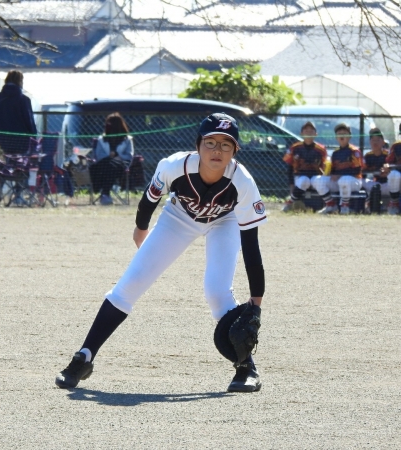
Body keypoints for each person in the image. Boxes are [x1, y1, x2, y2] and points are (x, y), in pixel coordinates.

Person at [55, 113, 266, 393]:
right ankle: (84, 356)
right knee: (131, 283)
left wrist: (255, 305)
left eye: (226, 144)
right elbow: (148, 200)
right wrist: (141, 229)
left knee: (217, 293)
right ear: (198, 144)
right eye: (210, 142)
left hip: (225, 221)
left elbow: (251, 247)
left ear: (235, 150)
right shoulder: (174, 166)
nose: (217, 150)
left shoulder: (243, 182)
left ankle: (247, 368)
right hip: (179, 216)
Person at [281, 121, 329, 212]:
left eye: (311, 131)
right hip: (300, 177)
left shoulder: (321, 149)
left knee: (319, 180)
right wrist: (291, 185)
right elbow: (290, 167)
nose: (309, 133)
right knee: (304, 180)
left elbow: (326, 167)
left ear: (316, 134)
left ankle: (330, 205)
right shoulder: (295, 148)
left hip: (315, 177)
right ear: (301, 134)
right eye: (306, 131)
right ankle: (289, 204)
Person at [317, 123, 363, 215]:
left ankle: (345, 206)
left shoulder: (354, 151)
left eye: (344, 133)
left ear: (349, 136)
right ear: (336, 137)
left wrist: (339, 175)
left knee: (344, 179)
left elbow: (357, 170)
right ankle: (331, 205)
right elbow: (334, 171)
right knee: (318, 180)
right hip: (340, 181)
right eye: (339, 133)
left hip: (354, 181)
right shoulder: (335, 153)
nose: (341, 136)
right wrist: (327, 172)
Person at [89, 112, 134, 205]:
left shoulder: (127, 139)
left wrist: (117, 154)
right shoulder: (101, 139)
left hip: (121, 163)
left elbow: (129, 155)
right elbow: (98, 155)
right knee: (105, 165)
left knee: (111, 165)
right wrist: (109, 156)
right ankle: (105, 193)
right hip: (104, 163)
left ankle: (105, 193)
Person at [0, 70, 37, 155]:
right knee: (21, 161)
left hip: (3, 139)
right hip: (22, 141)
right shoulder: (24, 100)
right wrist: (34, 137)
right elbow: (29, 121)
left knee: (8, 159)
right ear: (20, 81)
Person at [362, 128, 400, 214]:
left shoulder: (389, 154)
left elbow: (394, 167)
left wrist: (388, 171)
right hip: (376, 184)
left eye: (378, 140)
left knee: (394, 176)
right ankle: (367, 201)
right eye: (373, 140)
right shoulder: (367, 156)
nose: (375, 142)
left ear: (383, 142)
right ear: (370, 142)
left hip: (388, 185)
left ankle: (394, 204)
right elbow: (362, 172)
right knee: (359, 180)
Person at [381, 123, 401, 214]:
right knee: (393, 174)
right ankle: (394, 202)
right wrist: (386, 166)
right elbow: (389, 162)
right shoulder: (396, 146)